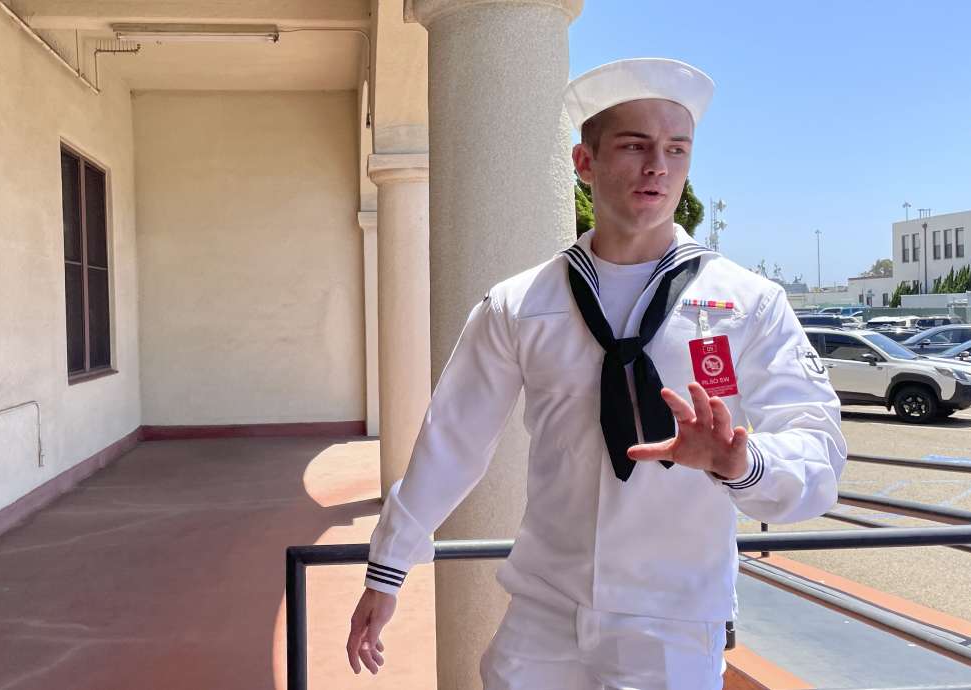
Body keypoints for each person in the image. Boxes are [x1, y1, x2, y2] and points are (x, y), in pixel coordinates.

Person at [345, 57, 847, 689]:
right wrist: (388, 565)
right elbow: (453, 437)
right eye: (635, 146)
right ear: (584, 163)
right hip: (543, 612)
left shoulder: (748, 303)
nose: (657, 166)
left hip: (674, 621)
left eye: (676, 150)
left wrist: (738, 462)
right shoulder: (520, 304)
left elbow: (820, 453)